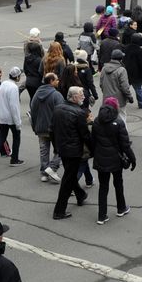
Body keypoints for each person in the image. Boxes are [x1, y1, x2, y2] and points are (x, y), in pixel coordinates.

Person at [91, 97, 134, 225]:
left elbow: (92, 140)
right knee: (118, 183)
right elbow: (125, 144)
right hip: (116, 159)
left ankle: (101, 215)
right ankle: (121, 208)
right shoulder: (118, 122)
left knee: (103, 187)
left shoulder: (97, 121)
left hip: (100, 158)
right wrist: (132, 158)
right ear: (115, 107)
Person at [51, 88, 92, 220]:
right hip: (73, 151)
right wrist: (94, 149)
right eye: (81, 95)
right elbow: (85, 135)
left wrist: (56, 147)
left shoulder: (58, 109)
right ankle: (59, 211)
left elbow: (52, 129)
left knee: (70, 174)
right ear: (74, 97)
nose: (83, 97)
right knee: (68, 180)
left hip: (63, 148)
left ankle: (80, 195)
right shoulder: (79, 113)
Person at [0, 68, 25, 169]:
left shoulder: (3, 84)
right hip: (10, 118)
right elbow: (14, 107)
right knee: (16, 137)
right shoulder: (14, 88)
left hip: (2, 116)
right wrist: (18, 122)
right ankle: (14, 159)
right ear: (16, 77)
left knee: (2, 137)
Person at [30, 73, 64, 183]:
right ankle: (52, 168)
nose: (58, 81)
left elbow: (32, 111)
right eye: (57, 80)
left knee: (44, 151)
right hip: (54, 129)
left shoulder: (36, 94)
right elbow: (61, 112)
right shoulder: (56, 95)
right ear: (51, 81)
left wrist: (35, 126)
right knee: (60, 150)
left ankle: (44, 173)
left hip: (40, 127)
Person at [98, 49, 133, 115]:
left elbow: (101, 84)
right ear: (121, 59)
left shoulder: (104, 68)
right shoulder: (121, 70)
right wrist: (130, 97)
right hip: (119, 100)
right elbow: (125, 87)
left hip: (107, 99)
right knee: (121, 118)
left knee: (109, 118)